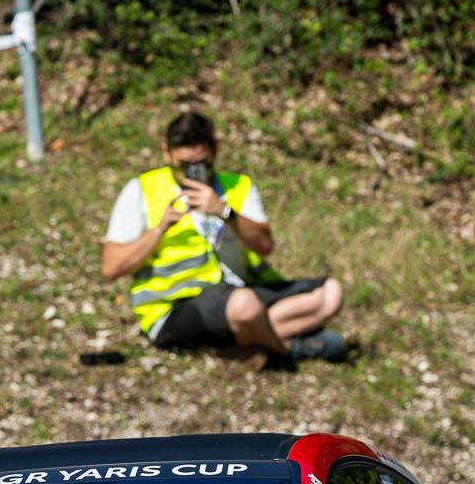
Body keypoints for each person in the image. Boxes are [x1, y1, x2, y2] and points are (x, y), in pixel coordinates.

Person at [100, 111, 346, 364]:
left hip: (238, 293)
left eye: (201, 164)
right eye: (183, 165)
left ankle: (244, 339)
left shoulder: (238, 187)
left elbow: (264, 246)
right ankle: (288, 350)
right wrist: (159, 229)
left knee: (330, 294)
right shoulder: (141, 189)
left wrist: (225, 212)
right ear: (166, 153)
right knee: (244, 304)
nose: (191, 173)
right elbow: (111, 268)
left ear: (216, 150)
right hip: (176, 310)